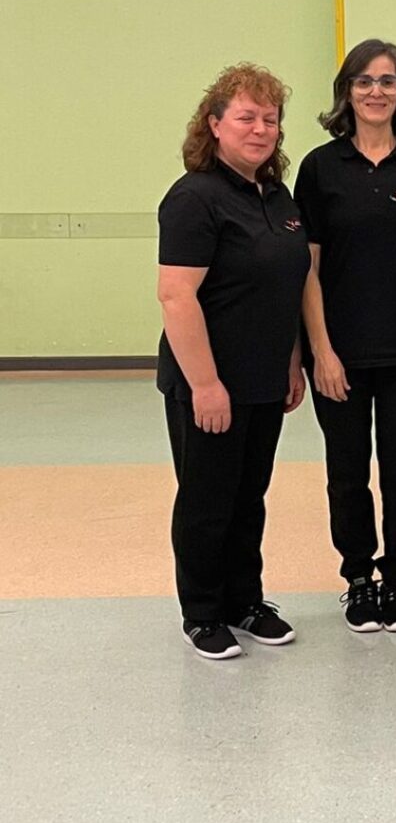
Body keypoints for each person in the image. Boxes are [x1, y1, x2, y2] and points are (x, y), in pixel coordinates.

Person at [294, 40, 396, 633]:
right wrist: (322, 351)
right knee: (347, 469)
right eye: (364, 81)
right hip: (341, 353)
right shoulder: (320, 168)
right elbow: (307, 268)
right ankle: (358, 578)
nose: (376, 91)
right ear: (347, 92)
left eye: (388, 81)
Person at [157, 63, 309, 660]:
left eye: (270, 119)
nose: (261, 129)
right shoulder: (194, 197)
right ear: (214, 124)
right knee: (206, 499)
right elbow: (177, 296)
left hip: (265, 381)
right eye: (246, 117)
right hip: (209, 384)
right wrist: (206, 385)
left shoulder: (279, 198)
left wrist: (292, 360)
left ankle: (246, 600)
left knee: (250, 497)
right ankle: (202, 612)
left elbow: (288, 285)